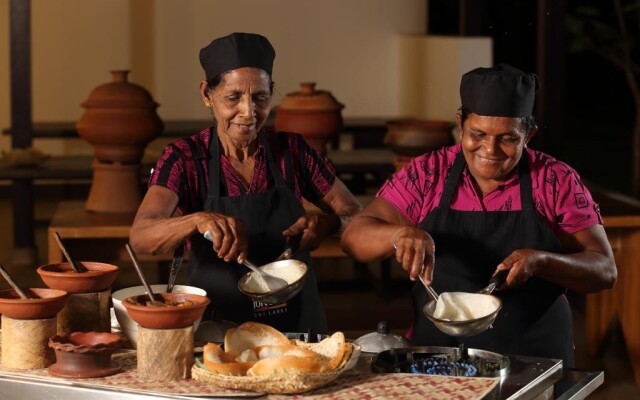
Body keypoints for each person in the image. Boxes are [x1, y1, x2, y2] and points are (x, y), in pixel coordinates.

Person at [341, 64, 617, 366]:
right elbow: (353, 238)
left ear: (529, 134)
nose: (490, 149)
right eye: (478, 134)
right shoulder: (428, 173)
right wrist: (398, 233)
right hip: (438, 355)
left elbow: (604, 270)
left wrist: (543, 261)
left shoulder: (555, 180)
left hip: (536, 357)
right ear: (461, 124)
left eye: (508, 138)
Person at [130, 32, 361, 334]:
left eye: (261, 98)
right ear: (206, 95)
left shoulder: (292, 152)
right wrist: (198, 220)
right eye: (233, 97)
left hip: (296, 330)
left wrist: (329, 223)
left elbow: (355, 214)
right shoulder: (186, 159)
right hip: (219, 329)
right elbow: (141, 236)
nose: (249, 112)